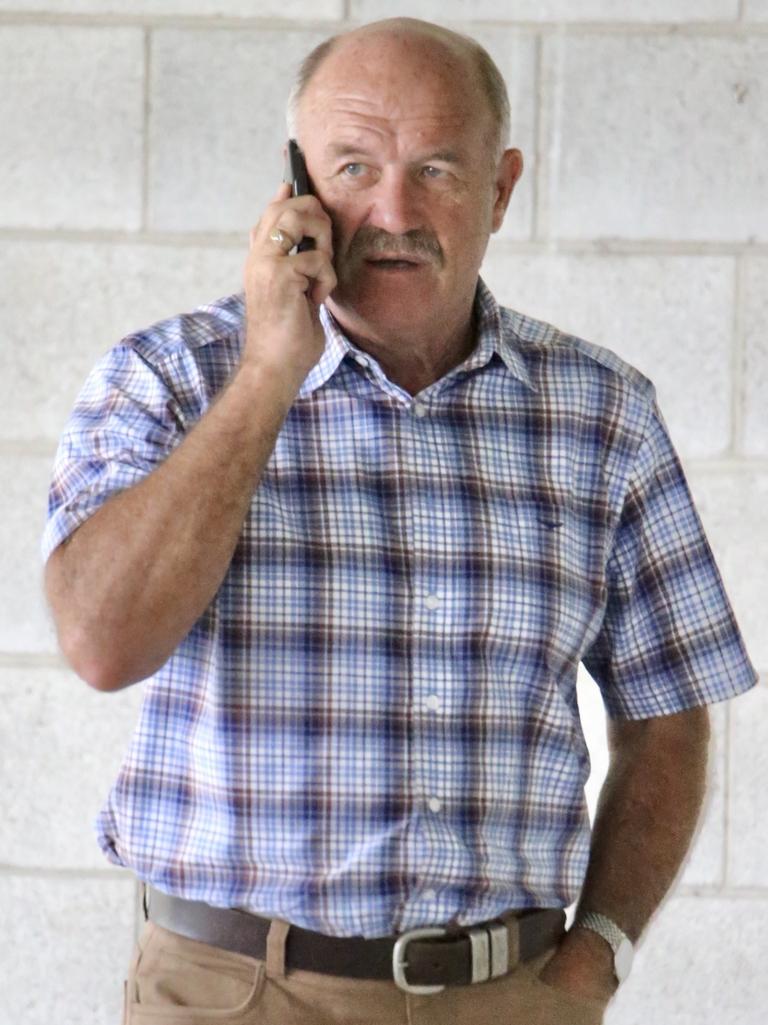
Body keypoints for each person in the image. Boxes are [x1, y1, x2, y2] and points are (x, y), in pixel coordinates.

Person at [43, 17, 757, 1025]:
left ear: (501, 188)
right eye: (351, 165)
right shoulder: (168, 377)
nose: (392, 209)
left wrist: (595, 954)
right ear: (296, 184)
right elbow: (103, 642)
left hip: (508, 994)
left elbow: (671, 708)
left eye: (435, 168)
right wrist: (266, 376)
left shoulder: (603, 414)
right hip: (234, 994)